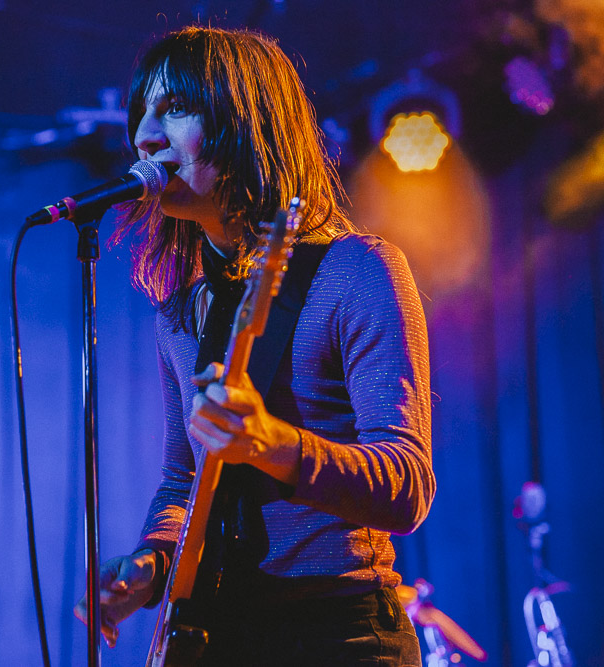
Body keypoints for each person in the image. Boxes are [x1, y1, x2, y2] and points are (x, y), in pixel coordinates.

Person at [75, 26, 435, 665]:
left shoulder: (358, 273)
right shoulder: (180, 311)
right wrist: (150, 565)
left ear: (245, 124)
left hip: (338, 633)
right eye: (142, 114)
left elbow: (407, 485)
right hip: (221, 634)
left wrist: (274, 445)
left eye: (176, 109)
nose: (144, 137)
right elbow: (185, 480)